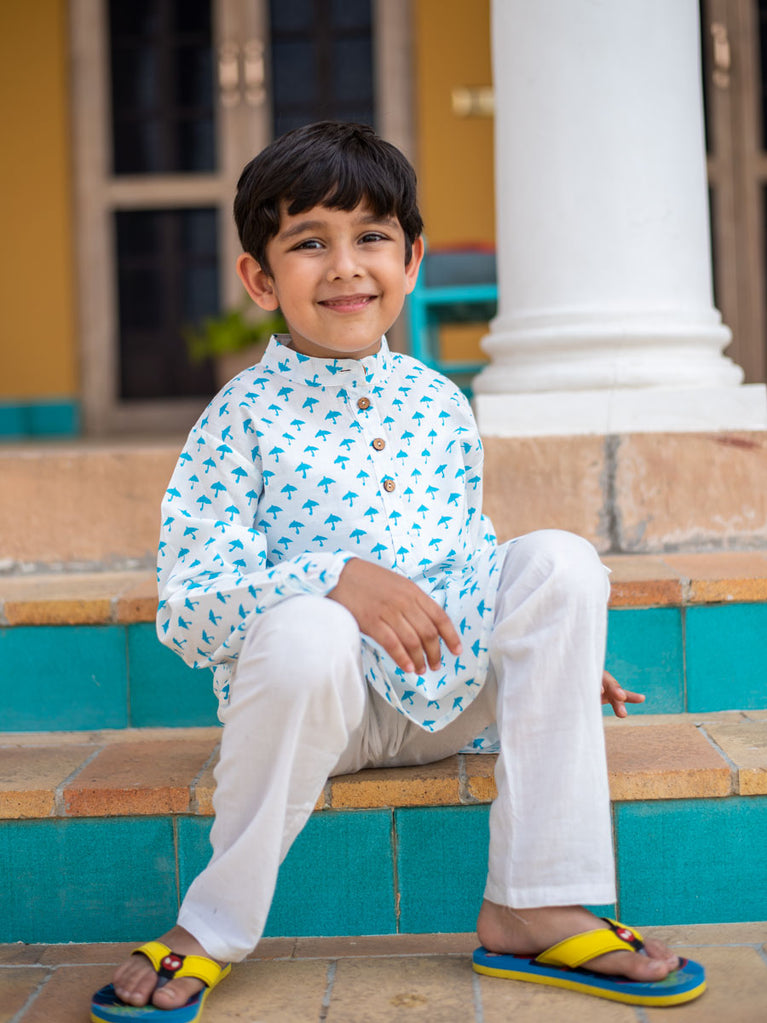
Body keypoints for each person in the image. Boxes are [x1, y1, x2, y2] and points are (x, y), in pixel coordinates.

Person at [90, 121, 705, 1021]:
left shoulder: (440, 403)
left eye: (370, 237)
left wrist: (546, 645)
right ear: (260, 278)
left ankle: (534, 903)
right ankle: (211, 925)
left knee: (561, 563)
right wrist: (330, 578)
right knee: (309, 628)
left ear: (410, 259)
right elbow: (187, 612)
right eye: (309, 243)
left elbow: (468, 553)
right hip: (320, 713)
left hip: (444, 700)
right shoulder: (237, 420)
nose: (345, 267)